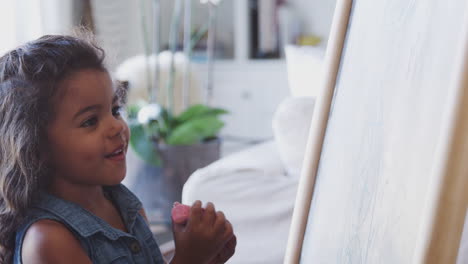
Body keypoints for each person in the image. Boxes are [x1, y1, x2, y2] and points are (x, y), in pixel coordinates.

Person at [0, 33, 236, 264]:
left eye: (114, 110)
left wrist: (203, 255)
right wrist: (190, 259)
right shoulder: (48, 241)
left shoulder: (124, 205)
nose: (116, 127)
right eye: (90, 121)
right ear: (36, 148)